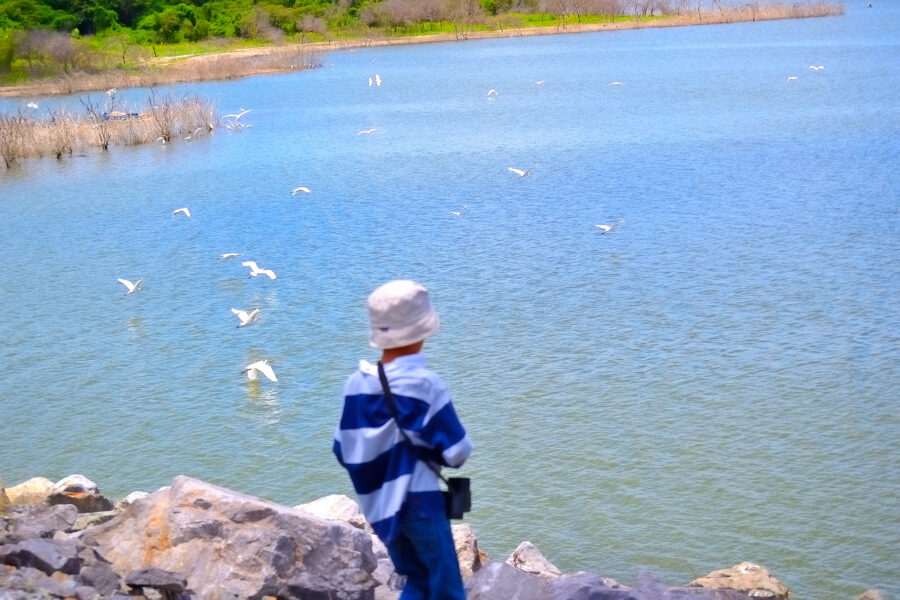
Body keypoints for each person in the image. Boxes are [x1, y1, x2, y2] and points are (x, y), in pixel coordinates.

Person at [333, 279, 473, 600]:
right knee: (447, 589)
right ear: (422, 331)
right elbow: (457, 452)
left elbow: (342, 449)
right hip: (421, 505)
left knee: (416, 582)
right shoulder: (426, 384)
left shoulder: (355, 384)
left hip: (379, 510)